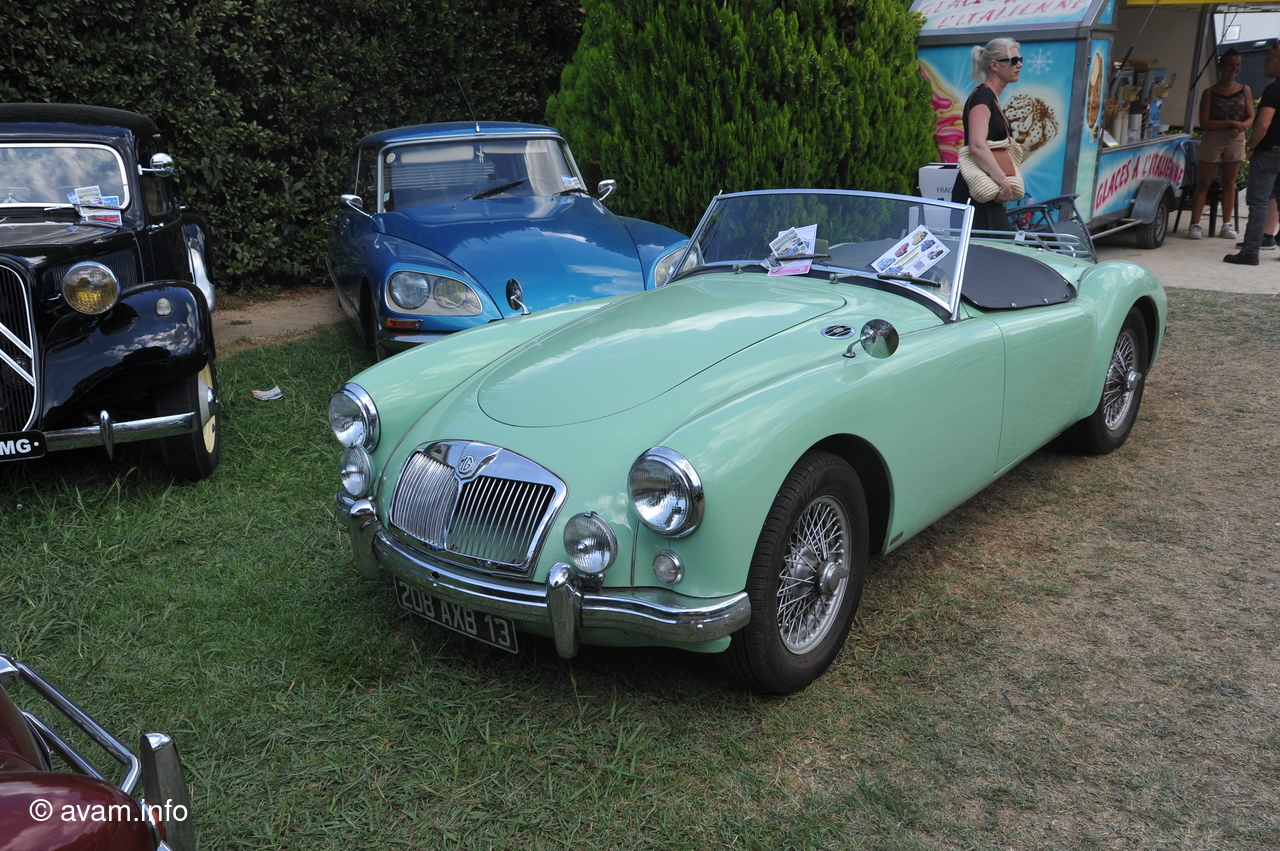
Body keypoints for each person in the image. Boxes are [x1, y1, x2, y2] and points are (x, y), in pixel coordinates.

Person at [951, 38, 1021, 231]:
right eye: (1014, 60)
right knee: (991, 247)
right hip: (977, 191)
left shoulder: (991, 97)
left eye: (1020, 60)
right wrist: (1003, 181)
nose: (1019, 65)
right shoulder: (983, 96)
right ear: (994, 65)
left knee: (997, 246)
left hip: (987, 188)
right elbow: (977, 146)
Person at [1188, 48, 1252, 240]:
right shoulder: (1210, 92)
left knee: (1229, 183)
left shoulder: (1244, 90)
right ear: (1221, 67)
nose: (1234, 68)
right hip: (1213, 138)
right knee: (1204, 183)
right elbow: (1205, 122)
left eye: (1238, 65)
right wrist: (1231, 123)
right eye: (1231, 65)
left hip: (1236, 138)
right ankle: (1195, 224)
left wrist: (1241, 127)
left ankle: (1226, 224)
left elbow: (1251, 117)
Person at [1225, 41, 1280, 265]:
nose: (1264, 64)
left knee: (1258, 202)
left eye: (1269, 60)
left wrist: (1252, 146)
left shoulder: (1274, 89)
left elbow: (1264, 123)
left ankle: (1250, 252)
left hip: (1269, 153)